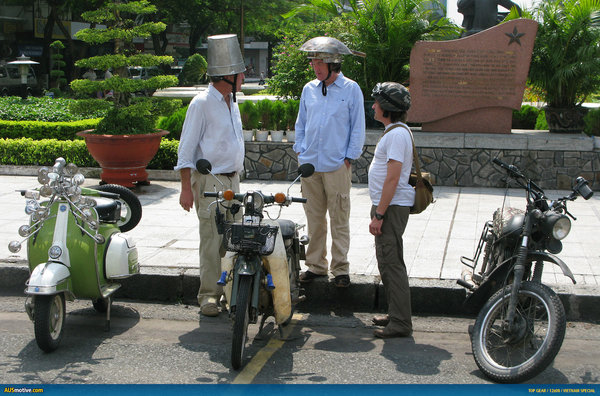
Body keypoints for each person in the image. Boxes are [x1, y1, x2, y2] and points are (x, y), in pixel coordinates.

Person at [175, 34, 246, 317]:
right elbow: (186, 151)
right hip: (209, 181)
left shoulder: (232, 101)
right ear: (227, 76)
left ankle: (230, 290)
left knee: (234, 239)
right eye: (240, 73)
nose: (244, 77)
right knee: (212, 239)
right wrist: (185, 188)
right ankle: (209, 296)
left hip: (233, 180)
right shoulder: (201, 104)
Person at [293, 36, 366, 288]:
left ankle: (341, 268)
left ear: (334, 63)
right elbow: (300, 124)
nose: (315, 66)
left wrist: (349, 157)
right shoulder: (308, 89)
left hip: (336, 165)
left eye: (319, 61)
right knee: (314, 218)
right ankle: (316, 265)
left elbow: (358, 127)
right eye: (313, 62)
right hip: (310, 165)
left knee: (339, 217)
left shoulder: (351, 89)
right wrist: (300, 151)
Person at [368, 82, 414, 338]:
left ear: (386, 108)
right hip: (390, 206)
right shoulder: (396, 131)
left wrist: (380, 214)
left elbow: (393, 178)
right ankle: (396, 313)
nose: (373, 106)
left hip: (391, 208)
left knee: (392, 262)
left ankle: (401, 322)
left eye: (376, 102)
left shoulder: (396, 135)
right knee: (387, 262)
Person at [458, 0, 522, 36]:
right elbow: (461, 6)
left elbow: (517, 10)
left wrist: (501, 19)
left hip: (484, 32)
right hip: (474, 32)